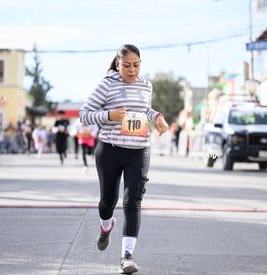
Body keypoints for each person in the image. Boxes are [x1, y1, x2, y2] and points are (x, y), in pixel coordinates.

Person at [79, 44, 169, 274]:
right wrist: (109, 115)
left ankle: (126, 256)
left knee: (132, 202)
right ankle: (105, 226)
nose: (132, 70)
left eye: (136, 65)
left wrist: (157, 117)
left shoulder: (145, 84)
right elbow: (84, 115)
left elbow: (144, 110)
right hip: (109, 149)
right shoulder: (107, 84)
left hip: (138, 150)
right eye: (127, 65)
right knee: (107, 201)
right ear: (117, 63)